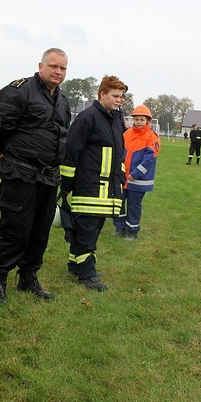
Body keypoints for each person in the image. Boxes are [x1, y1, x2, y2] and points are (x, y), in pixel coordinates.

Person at [0, 48, 71, 304]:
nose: (58, 72)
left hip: (48, 176)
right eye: (54, 66)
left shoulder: (63, 99)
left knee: (39, 230)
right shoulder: (20, 90)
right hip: (21, 172)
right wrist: (9, 155)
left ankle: (28, 276)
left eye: (63, 68)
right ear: (41, 65)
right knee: (14, 228)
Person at [61, 76, 127, 291]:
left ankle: (75, 264)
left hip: (108, 186)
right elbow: (71, 151)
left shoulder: (116, 119)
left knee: (94, 228)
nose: (120, 100)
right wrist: (67, 182)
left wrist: (121, 175)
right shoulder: (87, 117)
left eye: (122, 96)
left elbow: (119, 152)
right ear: (102, 95)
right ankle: (87, 274)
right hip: (89, 185)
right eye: (115, 96)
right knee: (86, 230)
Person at [113, 104, 160, 241]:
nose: (139, 122)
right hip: (124, 177)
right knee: (118, 203)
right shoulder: (127, 134)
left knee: (134, 206)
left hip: (138, 180)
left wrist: (136, 173)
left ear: (148, 121)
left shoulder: (152, 137)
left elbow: (149, 160)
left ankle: (132, 231)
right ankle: (119, 228)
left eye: (142, 120)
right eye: (137, 119)